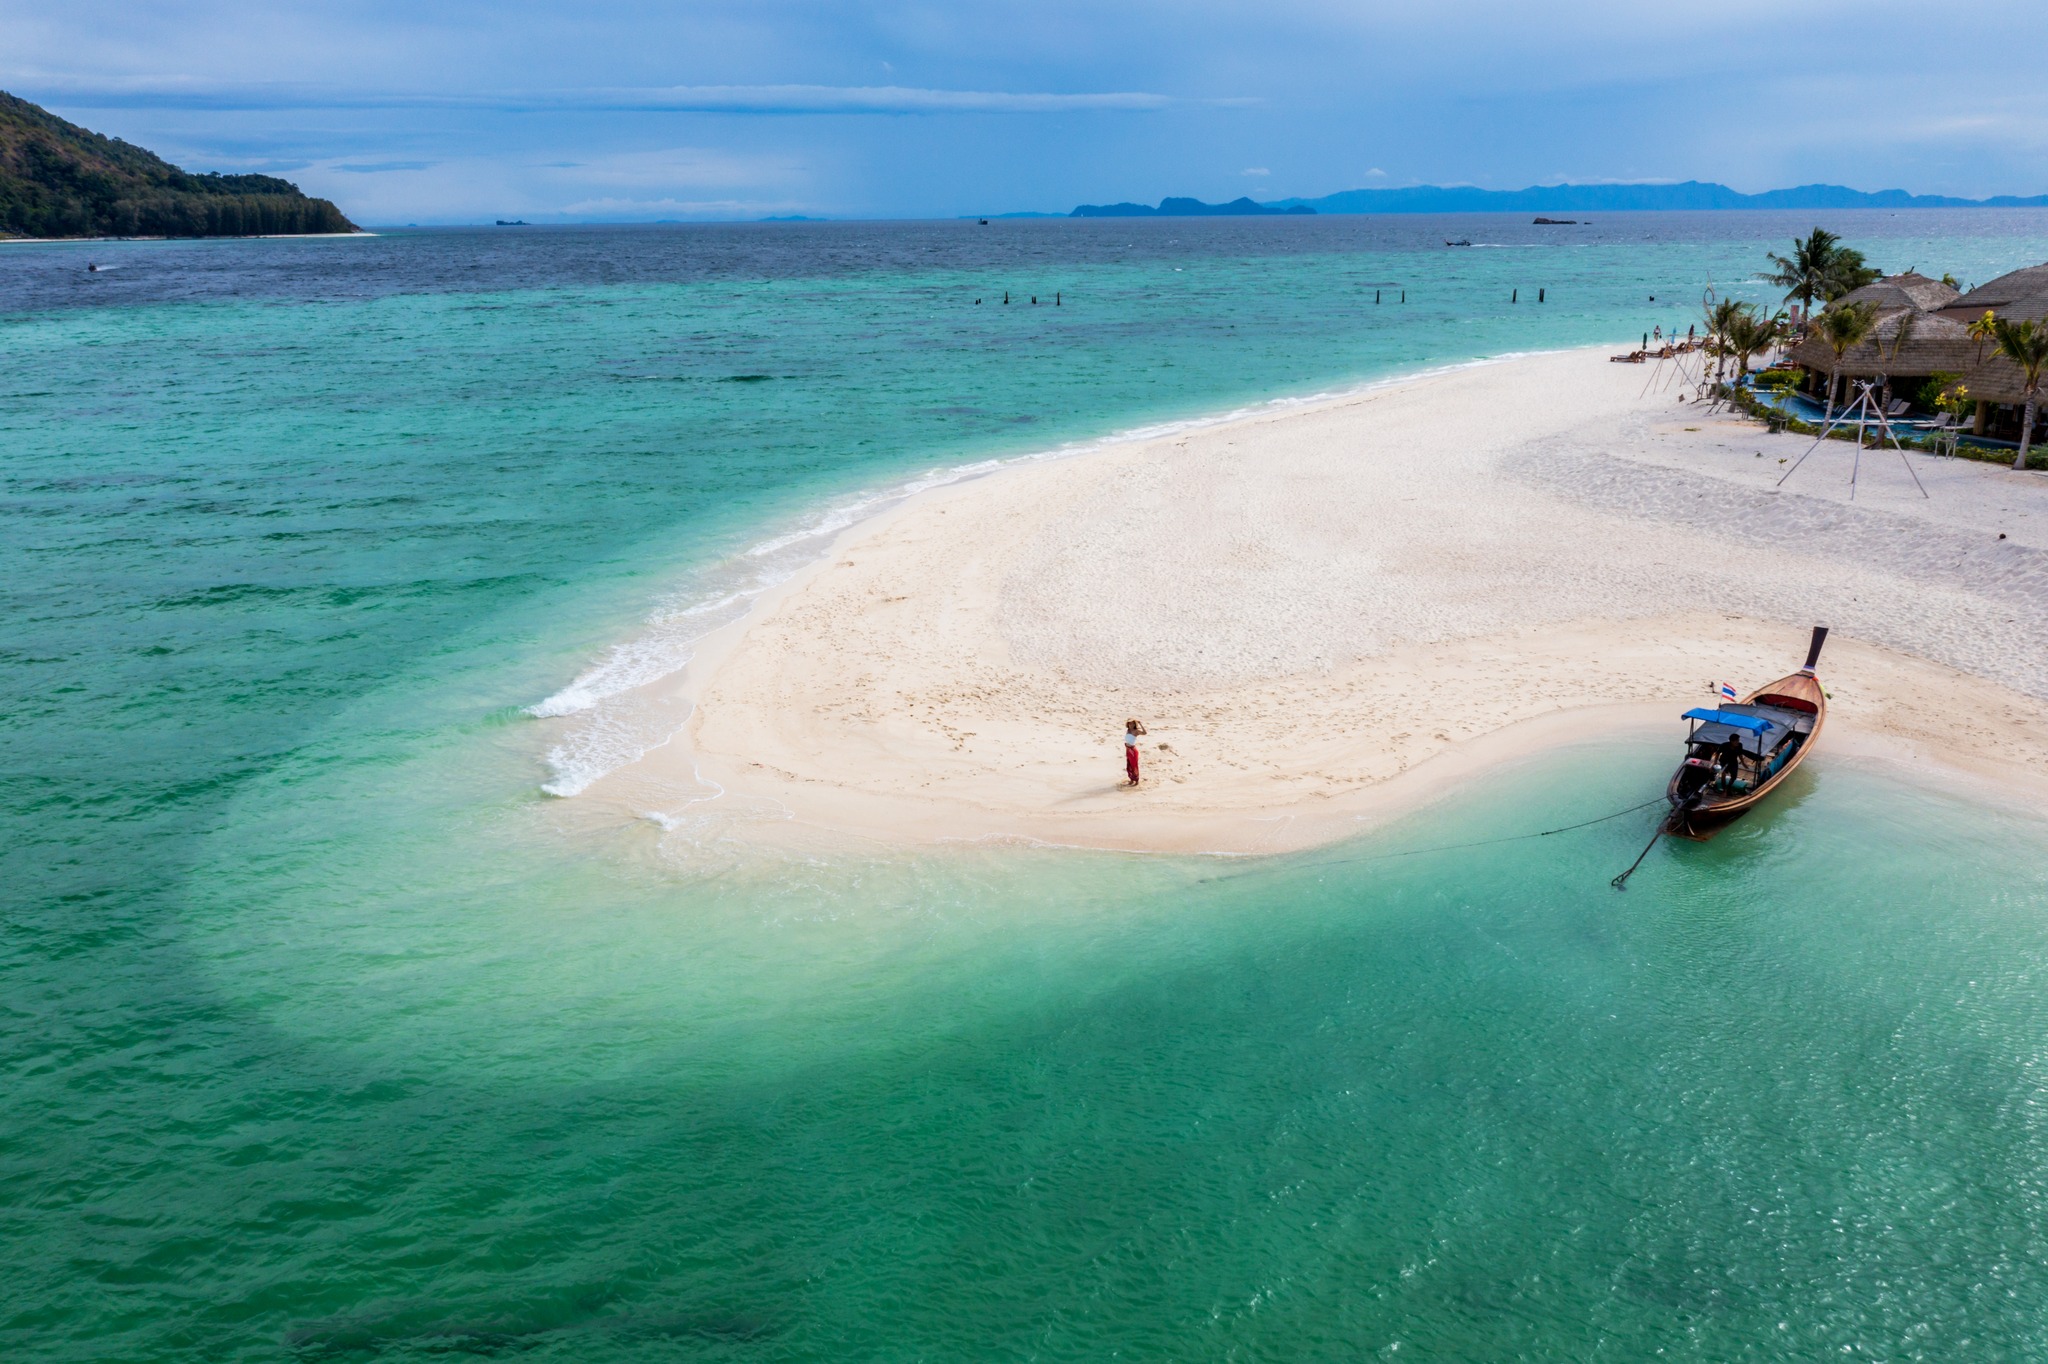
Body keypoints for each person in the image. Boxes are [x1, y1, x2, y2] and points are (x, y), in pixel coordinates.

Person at [1123, 719, 1147, 786]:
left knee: (1134, 766)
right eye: (1129, 723)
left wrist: (1140, 724)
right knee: (1129, 765)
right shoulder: (1128, 730)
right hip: (1128, 750)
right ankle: (1131, 779)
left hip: (1133, 751)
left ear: (1134, 724)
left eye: (1132, 724)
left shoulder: (1136, 731)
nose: (1130, 725)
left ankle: (1136, 780)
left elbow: (1145, 733)